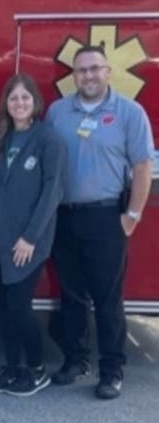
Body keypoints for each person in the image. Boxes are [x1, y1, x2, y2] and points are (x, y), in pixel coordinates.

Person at [46, 45, 153, 400]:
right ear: (73, 75)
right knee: (72, 296)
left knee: (108, 300)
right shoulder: (58, 112)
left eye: (94, 69)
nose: (88, 76)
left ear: (108, 71)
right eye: (81, 70)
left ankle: (111, 370)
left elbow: (142, 168)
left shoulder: (129, 112)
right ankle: (76, 361)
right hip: (65, 216)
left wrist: (132, 216)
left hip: (107, 217)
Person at [0, 74, 66, 396]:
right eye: (13, 98)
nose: (20, 103)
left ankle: (37, 369)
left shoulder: (47, 140)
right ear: (6, 105)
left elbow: (51, 193)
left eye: (25, 97)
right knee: (3, 308)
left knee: (20, 307)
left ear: (35, 102)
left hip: (28, 243)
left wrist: (30, 237)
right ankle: (13, 368)